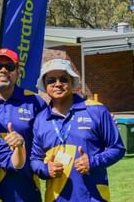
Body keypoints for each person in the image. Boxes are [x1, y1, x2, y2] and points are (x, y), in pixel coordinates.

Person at [30, 59, 126, 201]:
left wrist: (93, 162)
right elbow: (35, 159)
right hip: (57, 197)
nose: (57, 84)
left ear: (72, 82)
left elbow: (117, 148)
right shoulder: (40, 119)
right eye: (51, 80)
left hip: (93, 197)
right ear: (45, 85)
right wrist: (46, 169)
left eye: (63, 79)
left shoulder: (96, 110)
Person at [0, 48, 46, 201]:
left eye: (9, 67)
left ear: (18, 72)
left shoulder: (34, 101)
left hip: (25, 189)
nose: (3, 70)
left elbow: (49, 139)